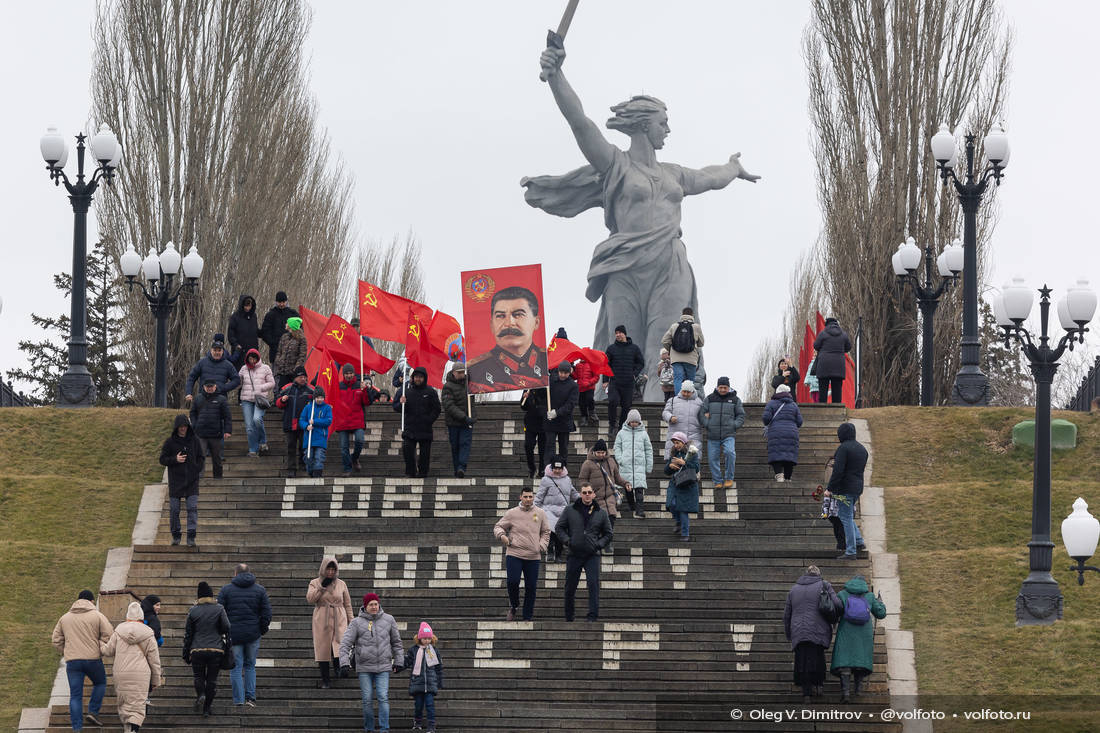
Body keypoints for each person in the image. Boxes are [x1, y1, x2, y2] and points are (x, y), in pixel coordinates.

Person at [525, 45, 757, 403]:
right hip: (625, 266)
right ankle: (617, 412)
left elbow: (710, 177)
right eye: (663, 122)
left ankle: (661, 413)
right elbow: (580, 122)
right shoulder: (615, 165)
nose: (668, 129)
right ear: (645, 125)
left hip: (669, 264)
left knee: (662, 344)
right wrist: (556, 76)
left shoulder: (673, 173)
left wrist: (732, 168)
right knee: (623, 344)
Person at [339, 592, 404, 733]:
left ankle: (384, 729)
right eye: (371, 604)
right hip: (364, 667)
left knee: (383, 697)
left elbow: (397, 643)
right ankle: (369, 728)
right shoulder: (356, 622)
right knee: (367, 700)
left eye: (376, 604)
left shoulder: (389, 619)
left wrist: (399, 661)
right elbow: (345, 644)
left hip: (383, 667)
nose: (374, 607)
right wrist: (344, 663)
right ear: (365, 606)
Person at [52, 589, 113, 731]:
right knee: (100, 683)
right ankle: (93, 711)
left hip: (73, 662)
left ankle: (77, 728)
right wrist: (99, 646)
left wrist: (66, 651)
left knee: (75, 695)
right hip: (93, 659)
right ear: (92, 601)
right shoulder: (97, 616)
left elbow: (56, 640)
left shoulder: (65, 618)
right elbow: (109, 634)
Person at [467, 286, 548, 391]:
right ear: (492, 325)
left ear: (536, 322)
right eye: (500, 316)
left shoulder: (547, 362)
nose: (509, 323)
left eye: (518, 314)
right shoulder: (475, 371)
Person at [100, 602, 162, 732]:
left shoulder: (119, 631)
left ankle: (128, 728)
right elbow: (154, 661)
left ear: (127, 615)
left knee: (124, 703)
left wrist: (100, 643)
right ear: (141, 616)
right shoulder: (148, 633)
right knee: (138, 704)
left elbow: (108, 651)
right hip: (141, 674)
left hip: (121, 673)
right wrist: (156, 680)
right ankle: (133, 729)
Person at [555, 482, 613, 622]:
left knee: (593, 585)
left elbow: (608, 533)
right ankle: (569, 616)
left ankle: (592, 616)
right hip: (574, 553)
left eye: (589, 492)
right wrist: (568, 541)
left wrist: (598, 545)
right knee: (570, 587)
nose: (587, 495)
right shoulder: (570, 509)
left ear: (594, 494)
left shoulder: (601, 513)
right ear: (580, 494)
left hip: (592, 555)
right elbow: (559, 528)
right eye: (584, 492)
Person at [217, 563, 273, 708]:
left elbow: (220, 612)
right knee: (250, 666)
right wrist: (261, 628)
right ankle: (251, 698)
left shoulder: (226, 590)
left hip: (233, 634)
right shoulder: (260, 590)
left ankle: (239, 700)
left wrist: (224, 631)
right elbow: (266, 612)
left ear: (235, 574)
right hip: (253, 634)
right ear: (249, 573)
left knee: (235, 667)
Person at [783, 566, 841, 702]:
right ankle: (819, 685)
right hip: (818, 629)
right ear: (819, 574)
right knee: (818, 657)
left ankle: (806, 693)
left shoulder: (793, 589)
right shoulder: (824, 585)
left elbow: (786, 615)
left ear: (806, 574)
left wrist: (789, 634)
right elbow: (838, 604)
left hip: (798, 631)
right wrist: (835, 618)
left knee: (801, 660)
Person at [494, 486, 551, 621]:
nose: (528, 499)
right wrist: (502, 536)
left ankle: (527, 615)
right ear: (520, 497)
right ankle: (514, 606)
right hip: (514, 553)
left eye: (530, 496)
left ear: (533, 498)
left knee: (531, 586)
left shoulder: (540, 513)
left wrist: (541, 545)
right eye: (525, 497)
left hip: (533, 555)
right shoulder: (512, 513)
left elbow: (546, 531)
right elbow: (498, 526)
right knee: (513, 582)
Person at [831, 575, 887, 701]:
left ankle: (845, 694)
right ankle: (858, 691)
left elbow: (835, 612)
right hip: (863, 634)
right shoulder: (870, 596)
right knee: (860, 661)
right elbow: (881, 614)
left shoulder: (843, 594)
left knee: (845, 661)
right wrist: (880, 602)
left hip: (846, 632)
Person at [182, 581, 230, 717]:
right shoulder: (219, 608)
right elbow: (227, 627)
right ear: (211, 596)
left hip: (197, 649)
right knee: (212, 680)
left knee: (198, 677)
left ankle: (201, 694)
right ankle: (207, 709)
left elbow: (188, 634)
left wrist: (186, 653)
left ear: (199, 597)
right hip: (216, 650)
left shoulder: (193, 610)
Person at [307, 556, 355, 689]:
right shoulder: (315, 582)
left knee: (340, 644)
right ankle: (325, 679)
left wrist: (352, 621)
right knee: (323, 648)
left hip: (339, 616)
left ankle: (339, 668)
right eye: (328, 568)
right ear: (323, 568)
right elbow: (310, 599)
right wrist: (321, 587)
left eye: (333, 569)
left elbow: (347, 604)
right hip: (322, 617)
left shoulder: (342, 584)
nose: (331, 572)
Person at [159, 414, 205, 546]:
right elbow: (162, 459)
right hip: (175, 482)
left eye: (185, 426)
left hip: (192, 482)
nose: (183, 429)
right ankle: (176, 535)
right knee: (174, 510)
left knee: (192, 508)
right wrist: (175, 459)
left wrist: (196, 469)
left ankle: (191, 536)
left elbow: (201, 457)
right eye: (180, 427)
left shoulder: (194, 440)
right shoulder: (170, 442)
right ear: (176, 427)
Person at [578, 438, 629, 555]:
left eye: (603, 452)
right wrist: (588, 492)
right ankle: (598, 543)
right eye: (598, 452)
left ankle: (607, 542)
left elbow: (617, 478)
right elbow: (582, 480)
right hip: (596, 497)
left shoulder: (611, 462)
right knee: (598, 521)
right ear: (594, 452)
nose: (601, 455)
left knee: (611, 518)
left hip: (610, 496)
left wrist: (625, 483)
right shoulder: (588, 464)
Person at [828, 422, 869, 560]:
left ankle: (851, 551)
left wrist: (830, 489)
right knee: (847, 515)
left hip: (844, 488)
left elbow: (838, 471)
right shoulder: (862, 449)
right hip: (857, 488)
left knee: (845, 517)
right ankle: (858, 541)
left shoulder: (843, 449)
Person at [394, 366, 441, 478]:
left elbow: (437, 409)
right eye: (416, 377)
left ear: (424, 378)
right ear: (413, 378)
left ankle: (423, 472)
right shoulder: (407, 392)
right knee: (407, 450)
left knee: (425, 454)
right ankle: (410, 471)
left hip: (425, 428)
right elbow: (396, 408)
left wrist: (429, 420)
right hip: (410, 427)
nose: (418, 379)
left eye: (420, 377)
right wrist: (401, 403)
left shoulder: (431, 392)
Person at [702, 376, 745, 488]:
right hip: (713, 435)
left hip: (728, 434)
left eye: (725, 387)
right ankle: (717, 481)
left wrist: (734, 425)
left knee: (730, 453)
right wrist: (707, 424)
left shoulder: (735, 400)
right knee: (712, 459)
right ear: (717, 387)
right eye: (720, 387)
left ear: (728, 387)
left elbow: (741, 415)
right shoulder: (709, 398)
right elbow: (701, 413)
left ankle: (729, 478)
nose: (722, 390)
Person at [534, 455, 579, 563]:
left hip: (563, 511)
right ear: (551, 467)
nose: (557, 471)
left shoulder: (567, 479)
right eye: (555, 468)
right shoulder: (546, 479)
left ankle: (558, 553)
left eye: (559, 468)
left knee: (561, 534)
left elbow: (573, 493)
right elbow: (540, 495)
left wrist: (583, 498)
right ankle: (550, 551)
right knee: (551, 532)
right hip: (549, 510)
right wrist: (535, 508)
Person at [333, 363, 376, 477]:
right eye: (346, 373)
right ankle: (347, 468)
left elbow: (367, 402)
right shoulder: (339, 386)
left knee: (360, 440)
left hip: (357, 420)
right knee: (343, 448)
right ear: (343, 374)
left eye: (350, 373)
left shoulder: (360, 385)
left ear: (354, 373)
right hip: (342, 421)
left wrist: (365, 390)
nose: (349, 375)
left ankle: (354, 458)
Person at [404, 622, 443, 733]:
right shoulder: (414, 650)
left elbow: (439, 667)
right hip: (418, 683)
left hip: (430, 684)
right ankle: (417, 722)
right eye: (424, 638)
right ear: (419, 638)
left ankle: (431, 726)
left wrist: (439, 681)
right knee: (418, 705)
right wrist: (397, 667)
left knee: (430, 705)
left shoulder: (434, 651)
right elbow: (407, 662)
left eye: (429, 638)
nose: (426, 641)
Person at [189, 378, 232, 480]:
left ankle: (218, 477)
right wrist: (195, 425)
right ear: (203, 387)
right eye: (207, 387)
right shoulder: (198, 398)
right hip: (200, 433)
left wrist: (227, 430)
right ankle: (199, 477)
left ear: (215, 386)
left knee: (217, 458)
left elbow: (227, 416)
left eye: (211, 386)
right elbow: (192, 413)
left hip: (216, 434)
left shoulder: (221, 399)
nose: (209, 388)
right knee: (200, 456)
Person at [605, 325, 645, 431]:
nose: (618, 335)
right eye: (616, 333)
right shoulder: (611, 348)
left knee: (626, 406)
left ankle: (621, 426)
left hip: (628, 382)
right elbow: (605, 365)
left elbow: (641, 363)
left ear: (624, 334)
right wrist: (605, 380)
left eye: (620, 333)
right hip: (615, 381)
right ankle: (612, 425)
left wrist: (634, 373)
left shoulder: (634, 348)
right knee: (613, 401)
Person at [614, 409, 653, 518]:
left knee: (639, 489)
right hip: (626, 465)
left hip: (639, 466)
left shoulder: (644, 434)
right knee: (628, 488)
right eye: (632, 422)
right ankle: (632, 505)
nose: (634, 424)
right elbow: (617, 447)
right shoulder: (621, 433)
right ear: (628, 421)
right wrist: (620, 459)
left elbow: (648, 450)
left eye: (636, 422)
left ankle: (640, 509)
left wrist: (649, 465)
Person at [276, 367, 314, 478]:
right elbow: (278, 403)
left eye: (304, 377)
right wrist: (282, 400)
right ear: (295, 378)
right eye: (300, 377)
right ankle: (291, 469)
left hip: (305, 425)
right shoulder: (286, 388)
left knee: (304, 445)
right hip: (290, 423)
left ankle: (303, 464)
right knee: (291, 447)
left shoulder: (311, 390)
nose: (303, 379)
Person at [441, 362, 476, 478]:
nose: (462, 374)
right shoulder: (447, 387)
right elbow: (449, 406)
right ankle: (457, 469)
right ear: (453, 372)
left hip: (467, 422)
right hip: (454, 423)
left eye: (463, 372)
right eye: (459, 372)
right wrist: (464, 417)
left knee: (465, 444)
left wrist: (471, 417)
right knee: (455, 446)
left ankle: (461, 467)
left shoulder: (469, 384)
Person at [664, 432, 701, 541]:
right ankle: (678, 521)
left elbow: (696, 468)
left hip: (687, 485)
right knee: (671, 504)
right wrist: (670, 466)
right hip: (675, 484)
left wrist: (684, 463)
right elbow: (666, 471)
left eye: (678, 442)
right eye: (674, 443)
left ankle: (685, 534)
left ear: (683, 442)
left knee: (683, 510)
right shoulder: (674, 453)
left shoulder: (692, 453)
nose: (676, 445)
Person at [239, 348, 275, 458]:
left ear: (258, 358)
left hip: (260, 400)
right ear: (247, 359)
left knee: (257, 419)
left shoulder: (265, 368)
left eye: (254, 358)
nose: (252, 361)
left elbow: (272, 383)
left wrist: (261, 388)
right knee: (249, 426)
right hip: (246, 400)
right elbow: (238, 383)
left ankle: (263, 441)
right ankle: (253, 450)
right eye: (250, 358)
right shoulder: (243, 369)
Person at [762, 384, 803, 481]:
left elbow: (766, 419)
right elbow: (800, 422)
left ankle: (779, 476)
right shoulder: (794, 405)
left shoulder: (771, 403)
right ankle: (788, 478)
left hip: (776, 432)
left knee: (776, 454)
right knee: (789, 455)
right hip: (792, 433)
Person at [184, 334, 241, 402]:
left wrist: (224, 387)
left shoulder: (228, 365)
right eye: (215, 350)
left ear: (222, 351)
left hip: (220, 400)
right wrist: (188, 393)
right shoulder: (202, 362)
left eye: (219, 350)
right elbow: (191, 378)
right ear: (211, 350)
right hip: (203, 399)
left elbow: (237, 380)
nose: (217, 352)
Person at [662, 308, 705, 395]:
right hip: (691, 358)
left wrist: (671, 350)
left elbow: (664, 341)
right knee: (690, 380)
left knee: (678, 378)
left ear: (682, 314)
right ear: (692, 315)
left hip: (676, 358)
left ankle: (679, 397)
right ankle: (689, 397)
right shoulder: (696, 327)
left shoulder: (674, 326)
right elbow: (701, 343)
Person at [545, 361, 579, 468]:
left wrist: (557, 413)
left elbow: (570, 404)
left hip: (565, 421)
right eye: (561, 372)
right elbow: (543, 394)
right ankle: (549, 468)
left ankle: (562, 468)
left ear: (570, 373)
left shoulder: (573, 385)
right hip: (550, 421)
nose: (563, 375)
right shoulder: (550, 381)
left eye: (566, 373)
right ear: (558, 371)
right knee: (550, 446)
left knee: (563, 447)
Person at [661, 380, 704, 457]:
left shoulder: (699, 403)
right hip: (676, 437)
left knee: (692, 463)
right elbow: (665, 413)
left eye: (688, 392)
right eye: (684, 391)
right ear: (681, 390)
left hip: (693, 437)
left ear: (693, 391)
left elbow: (703, 417)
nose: (686, 394)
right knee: (674, 463)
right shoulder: (673, 400)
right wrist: (670, 417)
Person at [813, 317, 852, 403]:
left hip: (824, 365)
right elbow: (848, 347)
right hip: (838, 365)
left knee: (823, 390)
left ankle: (822, 411)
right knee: (837, 390)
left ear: (826, 324)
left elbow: (816, 346)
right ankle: (837, 410)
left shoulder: (822, 334)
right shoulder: (843, 334)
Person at [300, 386, 333, 478]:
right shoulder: (308, 407)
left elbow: (328, 421)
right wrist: (306, 426)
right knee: (308, 457)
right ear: (314, 398)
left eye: (321, 397)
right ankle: (310, 473)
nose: (320, 399)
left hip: (320, 438)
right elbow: (301, 420)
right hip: (309, 438)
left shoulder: (327, 408)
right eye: (318, 397)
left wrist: (315, 421)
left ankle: (317, 475)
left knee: (319, 457)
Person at [260, 291, 299, 364]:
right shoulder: (270, 315)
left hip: (291, 354)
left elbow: (299, 330)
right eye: (279, 302)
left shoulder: (293, 314)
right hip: (276, 354)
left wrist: (293, 344)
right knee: (276, 374)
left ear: (286, 302)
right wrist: (274, 344)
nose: (281, 304)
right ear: (276, 302)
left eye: (283, 302)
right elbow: (265, 333)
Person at [520, 388, 548, 478]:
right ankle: (532, 468)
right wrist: (524, 398)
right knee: (528, 445)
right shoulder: (528, 388)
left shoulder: (546, 387)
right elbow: (523, 406)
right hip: (530, 423)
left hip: (543, 422)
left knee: (542, 448)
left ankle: (542, 469)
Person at [274, 317, 309, 389]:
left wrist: (296, 369)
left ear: (291, 325)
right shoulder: (284, 337)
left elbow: (302, 355)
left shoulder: (301, 339)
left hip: (293, 373)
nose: (286, 324)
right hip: (282, 371)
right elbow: (279, 352)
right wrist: (278, 361)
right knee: (281, 391)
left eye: (288, 323)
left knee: (292, 391)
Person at [227, 294, 260, 369]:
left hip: (252, 350)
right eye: (246, 305)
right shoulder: (235, 317)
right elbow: (230, 334)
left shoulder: (253, 316)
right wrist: (236, 345)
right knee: (240, 373)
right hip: (240, 351)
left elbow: (255, 331)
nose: (248, 308)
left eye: (249, 306)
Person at [573, 357, 598, 427]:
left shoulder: (592, 365)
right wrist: (572, 372)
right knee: (581, 403)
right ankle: (584, 417)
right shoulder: (577, 365)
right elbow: (575, 376)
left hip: (590, 387)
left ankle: (592, 413)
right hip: (580, 388)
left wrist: (589, 382)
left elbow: (596, 377)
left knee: (589, 399)